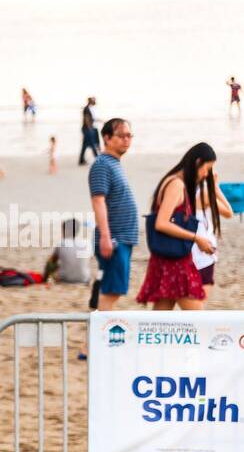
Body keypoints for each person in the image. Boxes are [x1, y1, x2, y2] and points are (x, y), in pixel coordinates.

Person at [137, 142, 220, 311]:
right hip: (175, 264)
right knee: (198, 319)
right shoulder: (176, 184)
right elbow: (162, 223)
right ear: (197, 162)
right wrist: (196, 238)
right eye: (207, 168)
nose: (206, 174)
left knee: (160, 321)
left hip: (166, 260)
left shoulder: (172, 181)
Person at [88, 118, 138, 315]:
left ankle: (95, 343)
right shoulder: (102, 165)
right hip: (115, 238)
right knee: (112, 291)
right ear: (107, 138)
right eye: (121, 135)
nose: (126, 140)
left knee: (112, 289)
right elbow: (98, 201)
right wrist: (106, 237)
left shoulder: (114, 163)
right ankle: (92, 345)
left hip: (123, 238)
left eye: (129, 135)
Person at [191, 147, 234, 298]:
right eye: (208, 167)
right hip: (203, 255)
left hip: (192, 251)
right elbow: (229, 212)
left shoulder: (185, 188)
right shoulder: (204, 195)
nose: (208, 172)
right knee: (198, 305)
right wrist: (215, 187)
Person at [79, 96, 99, 165]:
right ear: (91, 101)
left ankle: (81, 160)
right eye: (94, 100)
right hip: (87, 129)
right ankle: (98, 159)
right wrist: (90, 128)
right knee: (93, 143)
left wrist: (101, 120)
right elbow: (86, 119)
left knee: (85, 145)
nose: (95, 102)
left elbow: (92, 118)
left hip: (88, 128)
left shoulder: (90, 108)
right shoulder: (86, 109)